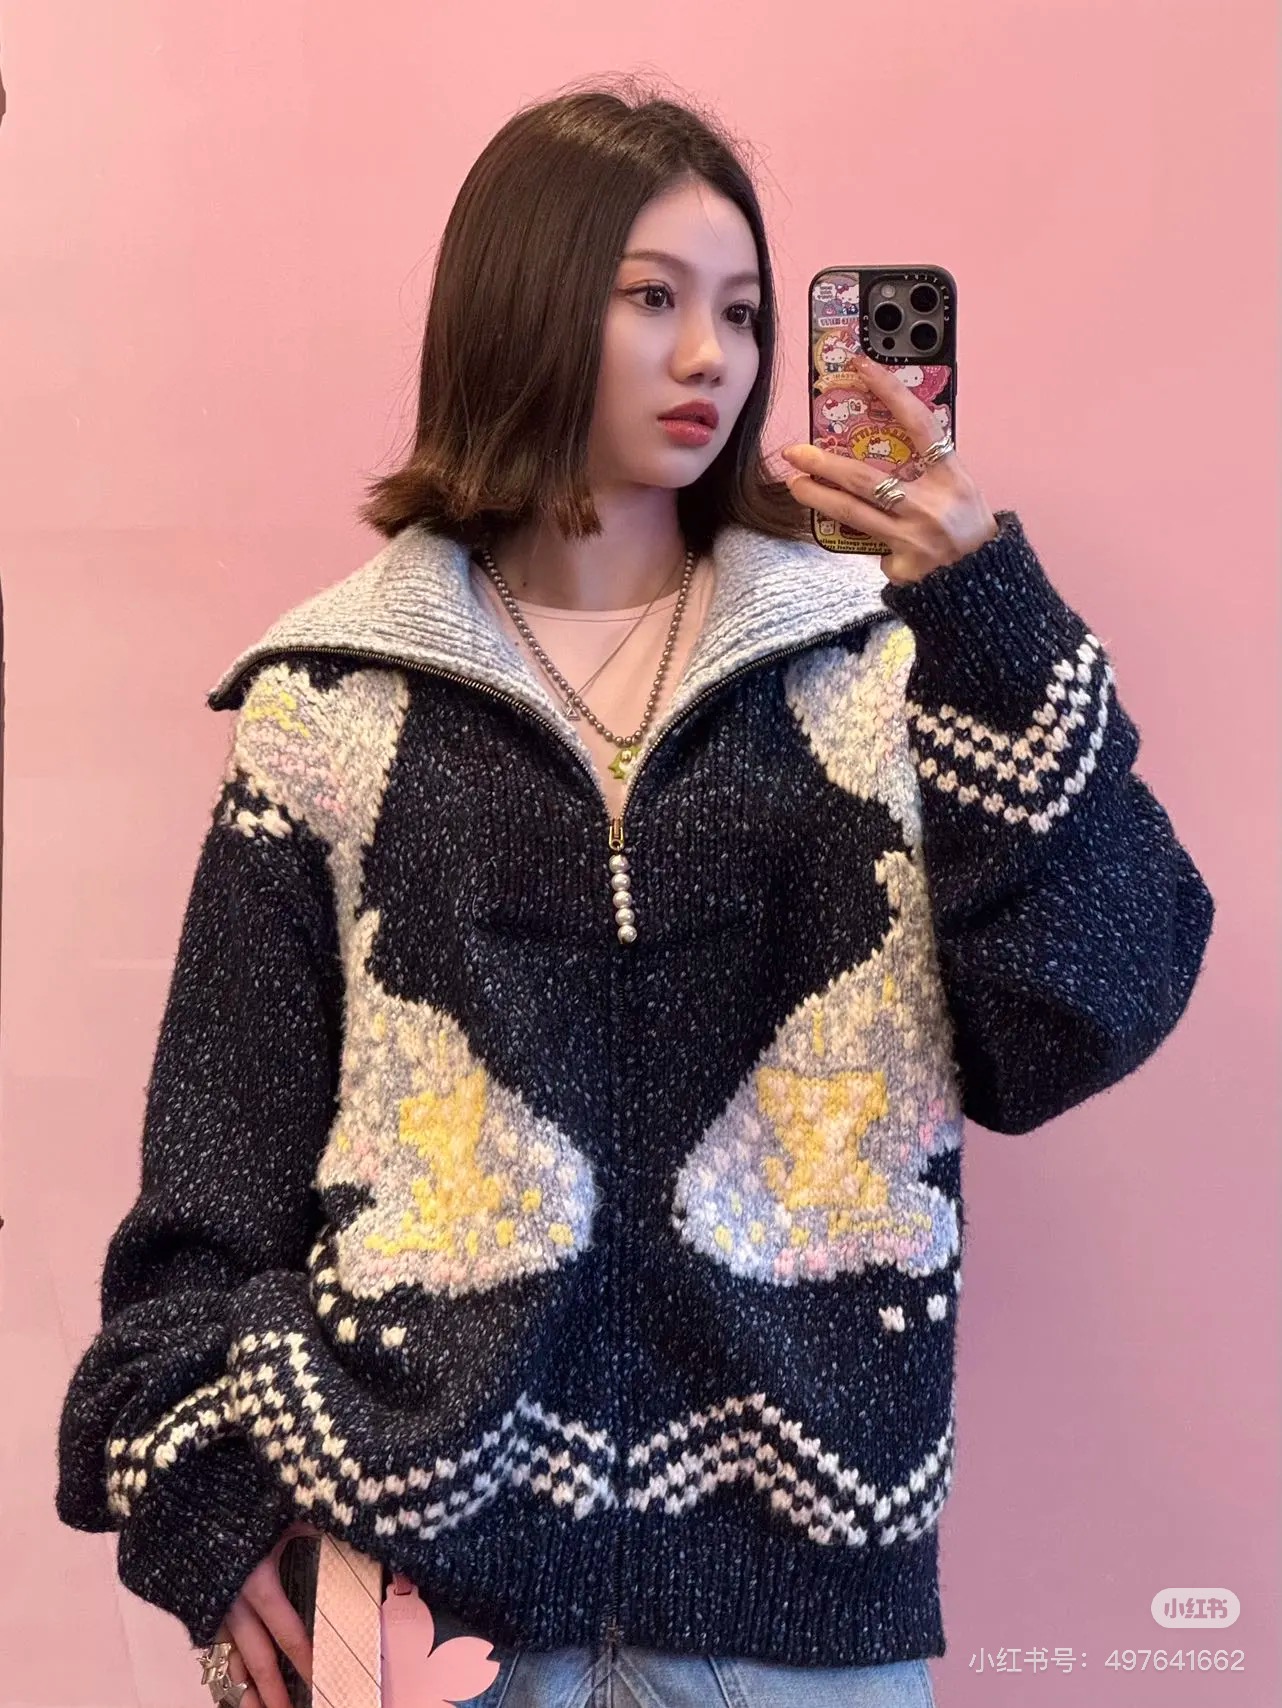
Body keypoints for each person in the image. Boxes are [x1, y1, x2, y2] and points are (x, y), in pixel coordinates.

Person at [53, 76, 1214, 1708]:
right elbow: (212, 1168)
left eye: (740, 312)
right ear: (522, 304)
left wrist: (988, 616)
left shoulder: (878, 670)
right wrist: (212, 1505)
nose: (709, 359)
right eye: (650, 298)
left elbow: (1079, 1013)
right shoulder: (332, 705)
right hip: (415, 1604)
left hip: (795, 1624)